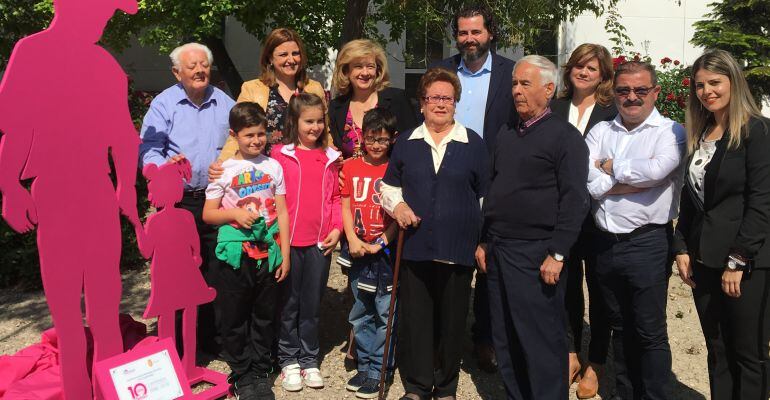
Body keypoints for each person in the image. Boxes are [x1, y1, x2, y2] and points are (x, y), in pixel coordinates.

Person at [0, 0, 139, 398]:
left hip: (97, 188)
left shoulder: (104, 65)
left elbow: (124, 135)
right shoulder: (31, 52)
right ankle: (78, 390)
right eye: (101, 12)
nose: (104, 21)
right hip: (54, 191)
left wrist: (126, 186)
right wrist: (10, 185)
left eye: (108, 14)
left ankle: (109, 389)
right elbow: (16, 126)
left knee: (105, 308)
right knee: (65, 310)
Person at [476, 55, 589, 400]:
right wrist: (483, 241)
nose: (517, 91)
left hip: (537, 252)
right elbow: (492, 189)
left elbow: (574, 201)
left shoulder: (565, 138)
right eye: (514, 83)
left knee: (540, 340)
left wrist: (557, 252)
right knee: (506, 336)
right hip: (498, 248)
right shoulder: (507, 132)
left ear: (549, 89)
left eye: (525, 84)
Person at [381, 67, 489, 400]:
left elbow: (487, 198)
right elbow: (388, 186)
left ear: (455, 102)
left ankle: (446, 388)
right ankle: (416, 386)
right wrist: (397, 207)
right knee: (418, 319)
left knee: (453, 321)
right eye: (433, 97)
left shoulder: (473, 143)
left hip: (458, 247)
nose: (440, 104)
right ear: (422, 102)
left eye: (447, 98)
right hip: (416, 246)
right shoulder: (408, 143)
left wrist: (484, 241)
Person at [584, 61, 686, 400]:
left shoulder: (672, 132)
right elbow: (587, 181)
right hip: (604, 244)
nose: (631, 97)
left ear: (655, 92)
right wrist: (634, 180)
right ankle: (625, 393)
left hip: (647, 243)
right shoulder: (601, 131)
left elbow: (658, 171)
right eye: (624, 90)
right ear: (614, 92)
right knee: (619, 327)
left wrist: (609, 168)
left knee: (650, 331)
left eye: (640, 90)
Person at [673, 49, 770, 400]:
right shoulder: (701, 132)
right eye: (700, 85)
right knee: (717, 351)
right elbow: (691, 198)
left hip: (745, 263)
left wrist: (738, 260)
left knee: (749, 354)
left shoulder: (756, 131)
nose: (706, 91)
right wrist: (681, 246)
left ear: (734, 82)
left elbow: (762, 202)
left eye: (715, 82)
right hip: (704, 259)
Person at [139, 42, 236, 355]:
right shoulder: (164, 104)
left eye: (203, 65)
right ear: (176, 72)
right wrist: (162, 167)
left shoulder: (225, 103)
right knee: (179, 271)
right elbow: (148, 148)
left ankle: (213, 339)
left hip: (217, 199)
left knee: (217, 267)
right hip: (178, 201)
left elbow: (242, 142)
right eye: (191, 66)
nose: (199, 70)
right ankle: (179, 344)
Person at [433, 4, 515, 371]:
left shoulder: (510, 74)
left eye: (476, 32)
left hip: (493, 179)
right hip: (445, 177)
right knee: (444, 259)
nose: (469, 39)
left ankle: (485, 337)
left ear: (490, 33)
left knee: (488, 261)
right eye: (463, 32)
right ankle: (440, 338)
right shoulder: (443, 71)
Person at [201, 102, 291, 399]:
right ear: (234, 135)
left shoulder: (273, 166)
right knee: (234, 315)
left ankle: (262, 372)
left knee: (264, 315)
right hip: (236, 258)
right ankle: (241, 374)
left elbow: (282, 211)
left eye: (261, 134)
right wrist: (235, 215)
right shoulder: (223, 170)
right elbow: (208, 214)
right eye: (249, 135)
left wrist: (286, 254)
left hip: (268, 254)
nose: (256, 140)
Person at [550, 43, 616, 397]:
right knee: (566, 285)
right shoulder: (556, 106)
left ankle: (596, 363)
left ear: (603, 74)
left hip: (600, 213)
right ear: (569, 69)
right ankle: (571, 352)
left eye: (592, 68)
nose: (584, 72)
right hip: (562, 212)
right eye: (579, 66)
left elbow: (614, 159)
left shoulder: (612, 109)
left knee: (601, 290)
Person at [271, 93, 342, 392]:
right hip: (286, 243)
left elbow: (337, 198)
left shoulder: (331, 157)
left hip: (318, 244)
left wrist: (337, 228)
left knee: (311, 305)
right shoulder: (279, 154)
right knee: (288, 304)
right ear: (294, 121)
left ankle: (309, 358)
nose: (314, 127)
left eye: (319, 121)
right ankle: (288, 359)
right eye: (308, 121)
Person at [341, 108, 399, 399]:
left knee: (385, 312)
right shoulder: (350, 167)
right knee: (360, 311)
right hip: (357, 249)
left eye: (383, 140)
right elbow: (345, 205)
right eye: (372, 139)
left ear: (392, 140)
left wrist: (382, 243)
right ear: (362, 137)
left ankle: (379, 369)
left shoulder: (395, 168)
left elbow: (396, 219)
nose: (376, 145)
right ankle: (364, 365)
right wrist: (351, 238)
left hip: (383, 252)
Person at [218, 27, 328, 158]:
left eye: (295, 53)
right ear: (270, 58)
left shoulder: (314, 88)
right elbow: (239, 131)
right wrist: (223, 162)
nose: (291, 60)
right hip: (267, 170)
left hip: (305, 166)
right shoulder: (252, 89)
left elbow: (326, 131)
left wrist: (332, 155)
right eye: (283, 55)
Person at [329, 39, 418, 159]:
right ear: (346, 71)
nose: (365, 73)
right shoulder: (336, 107)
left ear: (378, 70)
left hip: (389, 176)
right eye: (358, 66)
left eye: (370, 66)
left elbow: (413, 145)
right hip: (350, 177)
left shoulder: (397, 99)